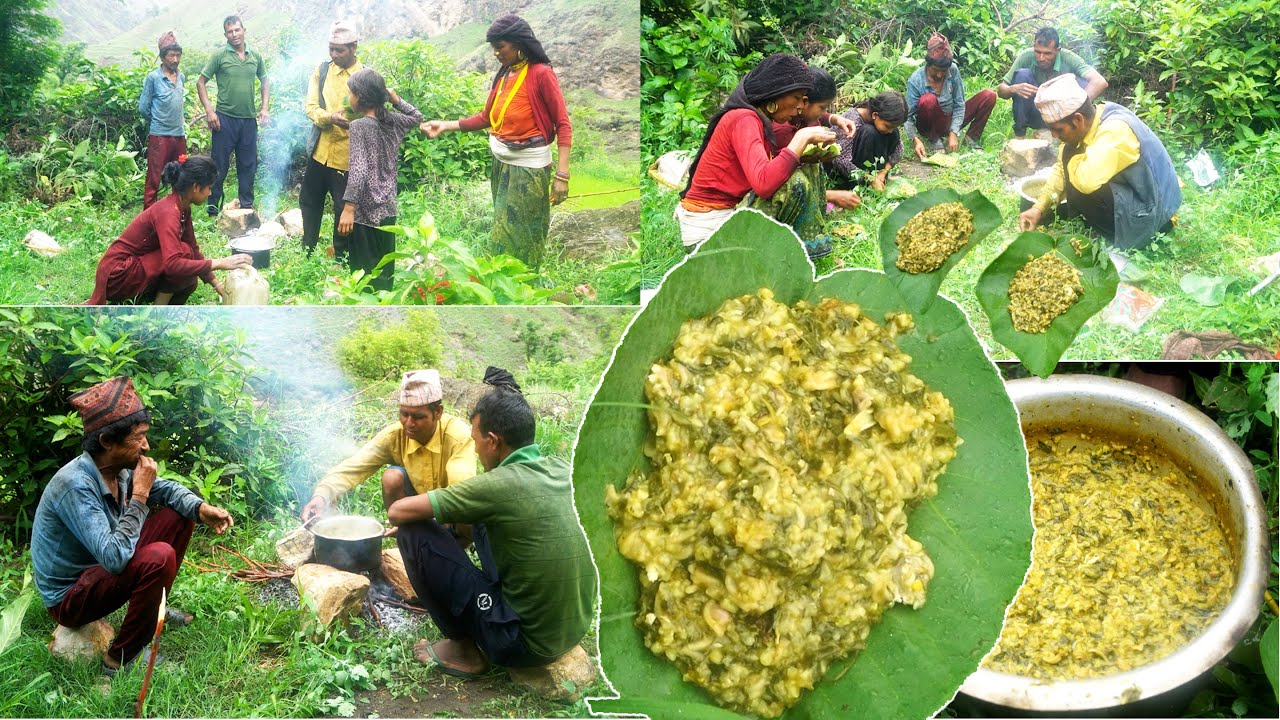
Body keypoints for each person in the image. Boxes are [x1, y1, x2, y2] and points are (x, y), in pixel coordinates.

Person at [386, 367, 597, 677]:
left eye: (477, 441)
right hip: (572, 628)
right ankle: (457, 567)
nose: (475, 449)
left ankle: (463, 649)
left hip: (520, 644)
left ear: (494, 442)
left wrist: (423, 522)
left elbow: (398, 513)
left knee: (412, 532)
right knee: (481, 519)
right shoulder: (562, 469)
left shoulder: (496, 487)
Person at [30, 376, 234, 674]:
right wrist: (140, 495)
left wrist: (200, 508)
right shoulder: (75, 485)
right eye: (138, 437)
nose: (146, 445)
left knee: (180, 515)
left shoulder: (118, 466)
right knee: (159, 557)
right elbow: (114, 559)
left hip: (102, 566)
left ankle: (153, 608)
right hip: (70, 597)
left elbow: (165, 490)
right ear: (106, 441)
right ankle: (121, 657)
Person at [419, 15, 571, 271]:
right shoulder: (504, 75)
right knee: (502, 224)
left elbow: (563, 124)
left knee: (524, 233)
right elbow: (486, 118)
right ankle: (502, 280)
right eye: (494, 47)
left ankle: (525, 285)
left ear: (518, 43)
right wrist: (445, 125)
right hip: (501, 164)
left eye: (500, 46)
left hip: (529, 170)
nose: (496, 52)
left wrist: (562, 175)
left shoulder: (541, 74)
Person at [676, 54, 836, 250]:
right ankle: (782, 249)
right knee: (794, 183)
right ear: (776, 94)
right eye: (796, 97)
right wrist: (801, 138)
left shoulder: (755, 119)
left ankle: (789, 247)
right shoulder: (744, 119)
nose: (800, 105)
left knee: (800, 172)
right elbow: (764, 184)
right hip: (705, 231)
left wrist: (803, 157)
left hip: (722, 215)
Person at [1017, 75, 1181, 250]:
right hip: (1137, 195)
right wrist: (1038, 208)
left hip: (1155, 214)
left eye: (1058, 130)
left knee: (1079, 176)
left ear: (1078, 119)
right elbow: (1061, 170)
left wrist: (1069, 157)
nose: (1055, 136)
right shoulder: (1093, 118)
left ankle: (1130, 240)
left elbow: (1084, 181)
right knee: (1069, 157)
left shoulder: (1115, 130)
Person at [301, 370, 475, 524]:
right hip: (416, 509)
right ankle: (407, 533)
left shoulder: (457, 435)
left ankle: (453, 545)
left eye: (418, 417)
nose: (409, 423)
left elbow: (461, 491)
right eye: (404, 414)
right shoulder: (394, 436)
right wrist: (321, 496)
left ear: (438, 412)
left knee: (466, 511)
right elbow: (353, 467)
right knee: (392, 477)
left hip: (452, 511)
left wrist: (442, 522)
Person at [88, 156, 253, 305]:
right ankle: (158, 312)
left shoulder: (182, 206)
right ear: (196, 187)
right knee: (183, 255)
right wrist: (219, 263)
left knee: (189, 278)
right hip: (118, 276)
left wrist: (217, 284)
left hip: (132, 270)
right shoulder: (168, 212)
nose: (210, 193)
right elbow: (173, 264)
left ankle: (163, 311)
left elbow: (193, 248)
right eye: (209, 188)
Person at [754, 66, 861, 260]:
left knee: (812, 168)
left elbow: (816, 116)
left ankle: (812, 226)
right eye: (823, 107)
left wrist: (834, 119)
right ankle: (798, 241)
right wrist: (830, 195)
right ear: (802, 103)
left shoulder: (799, 117)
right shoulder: (781, 129)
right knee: (802, 176)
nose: (823, 113)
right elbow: (778, 180)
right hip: (770, 195)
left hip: (791, 184)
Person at [337, 68, 422, 292]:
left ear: (360, 97)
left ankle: (366, 315)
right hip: (387, 208)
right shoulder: (392, 121)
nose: (349, 97)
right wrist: (396, 99)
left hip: (365, 212)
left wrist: (348, 207)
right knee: (385, 268)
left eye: (350, 93)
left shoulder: (359, 126)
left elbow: (359, 169)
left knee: (364, 273)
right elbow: (417, 117)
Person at [300, 20, 364, 257]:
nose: (334, 54)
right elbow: (310, 107)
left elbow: (374, 118)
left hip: (347, 157)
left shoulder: (365, 76)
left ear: (353, 47)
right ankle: (308, 248)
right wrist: (328, 117)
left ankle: (342, 255)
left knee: (342, 209)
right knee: (309, 201)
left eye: (340, 50)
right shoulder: (323, 70)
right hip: (320, 152)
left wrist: (353, 124)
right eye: (331, 49)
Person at [197, 15, 269, 217]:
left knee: (248, 165)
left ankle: (246, 208)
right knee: (218, 165)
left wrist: (264, 108)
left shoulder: (255, 56)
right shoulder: (219, 56)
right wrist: (209, 111)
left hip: (248, 121)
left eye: (237, 30)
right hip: (224, 119)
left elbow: (264, 80)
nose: (234, 34)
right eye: (230, 31)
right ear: (225, 34)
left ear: (244, 30)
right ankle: (213, 210)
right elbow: (201, 82)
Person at [996, 27, 1108, 139]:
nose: (1041, 58)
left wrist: (1075, 106)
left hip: (1062, 115)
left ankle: (1063, 133)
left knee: (1080, 82)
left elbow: (1099, 82)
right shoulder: (1026, 56)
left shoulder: (1068, 57)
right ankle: (1019, 136)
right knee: (1021, 75)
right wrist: (1012, 89)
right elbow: (1001, 89)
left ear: (1058, 50)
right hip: (1034, 112)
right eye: (1037, 52)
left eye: (1047, 54)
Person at [904, 32, 996, 158]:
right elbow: (908, 118)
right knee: (928, 100)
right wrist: (915, 139)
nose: (940, 75)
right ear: (928, 64)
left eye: (943, 71)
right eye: (935, 70)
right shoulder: (916, 80)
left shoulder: (953, 69)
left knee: (989, 95)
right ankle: (935, 139)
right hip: (929, 124)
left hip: (950, 118)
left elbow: (959, 104)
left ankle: (970, 138)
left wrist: (954, 132)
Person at [138, 32, 187, 209]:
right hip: (159, 137)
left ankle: (177, 209)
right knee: (155, 176)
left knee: (180, 174)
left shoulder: (181, 76)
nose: (175, 59)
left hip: (179, 135)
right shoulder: (153, 78)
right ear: (163, 57)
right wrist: (158, 121)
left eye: (178, 55)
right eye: (171, 55)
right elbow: (143, 108)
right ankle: (149, 213)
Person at [829, 91, 908, 192]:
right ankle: (860, 187)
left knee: (894, 133)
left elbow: (899, 150)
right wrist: (869, 179)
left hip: (874, 172)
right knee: (869, 132)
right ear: (875, 115)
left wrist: (883, 172)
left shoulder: (887, 126)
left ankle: (879, 180)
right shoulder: (853, 120)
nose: (890, 130)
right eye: (888, 126)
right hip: (843, 174)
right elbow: (840, 160)